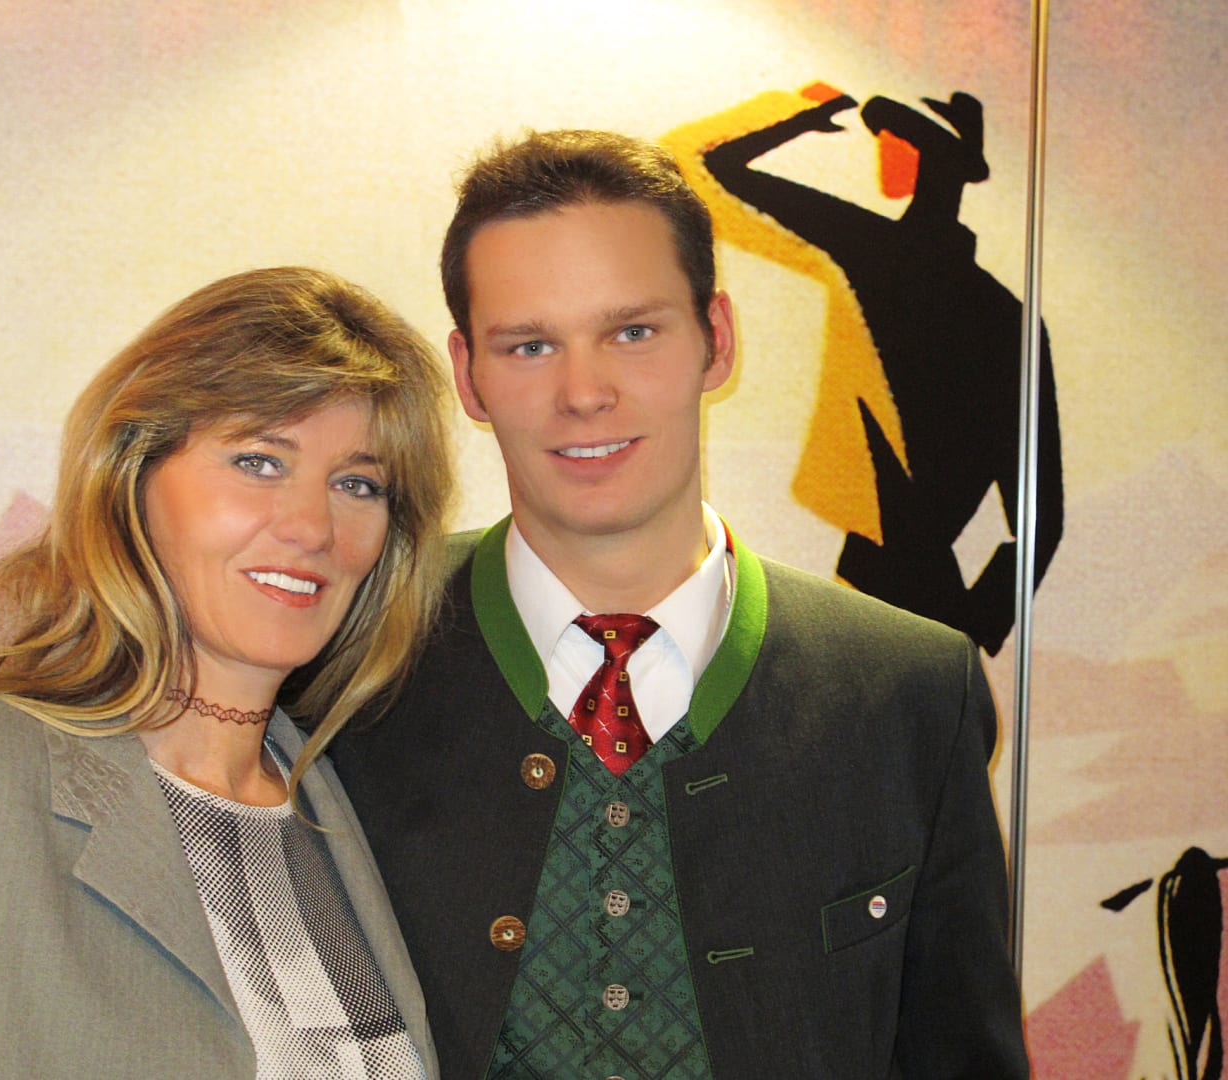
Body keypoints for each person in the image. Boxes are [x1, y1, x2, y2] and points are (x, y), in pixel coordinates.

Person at [329, 131, 1030, 1077]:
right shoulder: (349, 655)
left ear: (717, 340)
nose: (585, 393)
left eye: (633, 332)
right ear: (468, 377)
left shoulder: (911, 691)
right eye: (530, 345)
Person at [0, 266, 451, 1078]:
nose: (313, 526)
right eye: (259, 462)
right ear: (131, 475)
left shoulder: (353, 799)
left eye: (357, 484)